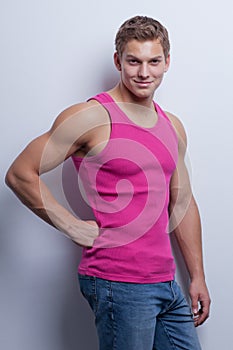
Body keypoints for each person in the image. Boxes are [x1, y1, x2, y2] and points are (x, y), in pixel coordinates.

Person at [5, 15, 210, 350]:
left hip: (166, 282)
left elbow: (182, 202)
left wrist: (197, 276)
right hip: (118, 282)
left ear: (167, 62)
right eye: (134, 61)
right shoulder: (90, 117)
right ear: (118, 61)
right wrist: (73, 227)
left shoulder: (172, 125)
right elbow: (20, 173)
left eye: (154, 61)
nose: (144, 73)